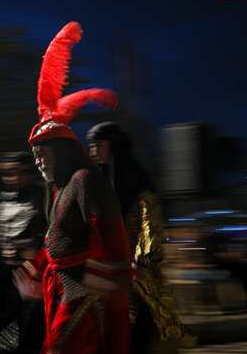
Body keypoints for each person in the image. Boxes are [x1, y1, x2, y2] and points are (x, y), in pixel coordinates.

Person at [13, 21, 131, 354]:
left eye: (42, 153)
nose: (37, 161)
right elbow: (55, 239)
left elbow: (113, 238)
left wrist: (99, 282)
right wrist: (35, 266)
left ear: (61, 152)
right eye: (35, 155)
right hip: (61, 290)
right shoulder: (58, 188)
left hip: (84, 296)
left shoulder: (85, 181)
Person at [86, 122, 195, 353]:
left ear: (114, 146)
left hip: (138, 270)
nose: (94, 152)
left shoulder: (136, 178)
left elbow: (150, 221)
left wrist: (141, 260)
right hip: (111, 267)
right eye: (92, 146)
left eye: (99, 145)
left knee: (145, 323)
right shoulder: (102, 180)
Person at [0, 152, 47, 353]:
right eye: (7, 172)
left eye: (17, 172)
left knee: (31, 328)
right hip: (5, 274)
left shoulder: (42, 195)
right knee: (2, 326)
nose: (12, 177)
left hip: (33, 274)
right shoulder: (0, 196)